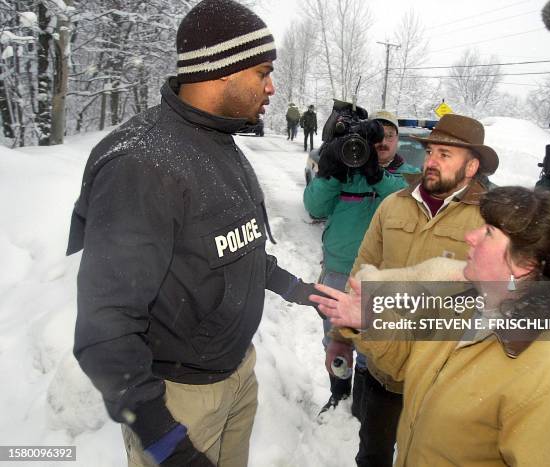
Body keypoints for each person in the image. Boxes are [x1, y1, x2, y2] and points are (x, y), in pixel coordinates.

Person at [66, 2, 329, 466]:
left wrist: (300, 290)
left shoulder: (218, 140)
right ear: (220, 69)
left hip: (236, 377)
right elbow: (103, 328)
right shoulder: (143, 164)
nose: (272, 87)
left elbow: (235, 246)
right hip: (179, 402)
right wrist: (166, 442)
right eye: (262, 72)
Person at [312, 186, 550, 467]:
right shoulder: (468, 301)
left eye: (489, 232)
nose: (471, 236)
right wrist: (369, 320)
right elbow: (409, 362)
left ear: (524, 264)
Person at [326, 113, 499, 467]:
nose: (431, 162)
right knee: (371, 456)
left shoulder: (491, 222)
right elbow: (362, 271)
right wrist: (341, 336)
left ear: (471, 167)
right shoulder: (394, 205)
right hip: (382, 371)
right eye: (431, 151)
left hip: (441, 383)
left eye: (445, 155)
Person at [303, 110, 418, 416]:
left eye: (389, 136)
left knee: (376, 348)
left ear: (397, 140)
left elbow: (409, 197)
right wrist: (330, 174)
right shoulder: (347, 169)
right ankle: (338, 394)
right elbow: (314, 207)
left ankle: (364, 408)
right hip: (339, 272)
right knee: (335, 340)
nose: (382, 142)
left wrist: (377, 176)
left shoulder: (408, 175)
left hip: (385, 279)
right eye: (376, 136)